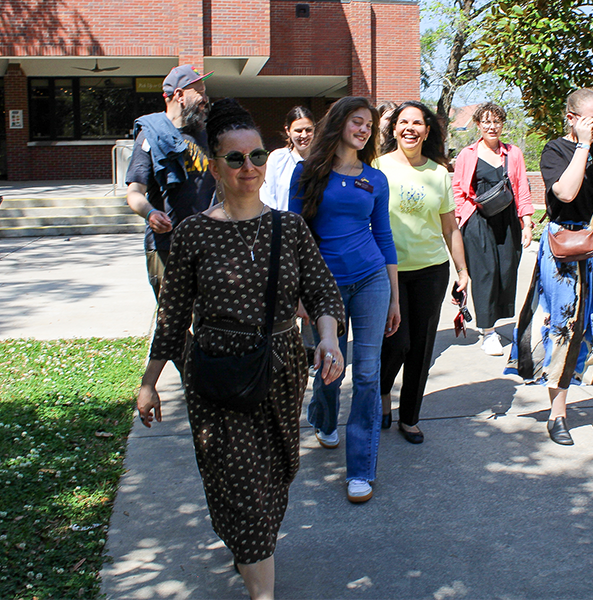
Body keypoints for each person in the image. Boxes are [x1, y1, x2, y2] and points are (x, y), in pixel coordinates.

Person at [135, 98, 345, 599]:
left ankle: (248, 547)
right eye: (235, 158)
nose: (248, 168)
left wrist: (330, 337)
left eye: (256, 157)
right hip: (216, 375)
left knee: (276, 476)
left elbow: (322, 292)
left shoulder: (288, 228)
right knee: (243, 486)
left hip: (280, 371)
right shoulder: (193, 233)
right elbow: (172, 314)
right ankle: (261, 586)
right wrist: (149, 381)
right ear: (214, 164)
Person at [509, 88, 593, 448]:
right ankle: (558, 415)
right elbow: (565, 194)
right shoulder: (556, 151)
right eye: (591, 120)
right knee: (565, 328)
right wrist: (582, 146)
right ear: (571, 118)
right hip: (565, 249)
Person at [289, 96, 400, 503]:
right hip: (324, 284)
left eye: (369, 125)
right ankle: (323, 417)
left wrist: (394, 298)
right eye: (357, 121)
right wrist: (299, 291)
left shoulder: (375, 178)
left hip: (372, 279)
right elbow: (293, 236)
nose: (365, 130)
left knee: (368, 375)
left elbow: (385, 238)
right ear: (338, 124)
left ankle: (361, 471)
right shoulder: (306, 174)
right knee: (330, 365)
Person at [376, 101, 469, 443]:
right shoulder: (377, 168)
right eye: (404, 122)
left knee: (422, 346)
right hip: (389, 271)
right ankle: (383, 393)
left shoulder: (439, 173)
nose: (410, 128)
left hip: (432, 269)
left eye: (418, 123)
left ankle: (410, 416)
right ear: (394, 129)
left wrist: (462, 269)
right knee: (396, 343)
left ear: (427, 131)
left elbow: (450, 228)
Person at [125, 64, 216, 299]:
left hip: (207, 243)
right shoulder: (151, 136)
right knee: (173, 326)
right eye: (200, 92)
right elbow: (134, 192)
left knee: (209, 321)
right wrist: (151, 213)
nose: (206, 98)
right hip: (167, 246)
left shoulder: (207, 136)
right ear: (179, 95)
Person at [452, 102, 534, 356]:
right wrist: (461, 220)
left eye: (496, 121)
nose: (492, 126)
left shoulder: (513, 153)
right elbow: (458, 190)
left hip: (507, 220)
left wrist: (527, 222)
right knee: (485, 273)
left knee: (506, 272)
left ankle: (496, 321)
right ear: (478, 124)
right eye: (486, 121)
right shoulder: (468, 154)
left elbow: (522, 188)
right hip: (478, 220)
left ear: (502, 125)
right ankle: (488, 331)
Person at [260, 106, 315, 211]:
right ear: (288, 131)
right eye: (298, 131)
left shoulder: (321, 159)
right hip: (284, 223)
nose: (304, 135)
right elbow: (268, 197)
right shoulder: (277, 159)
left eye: (308, 130)